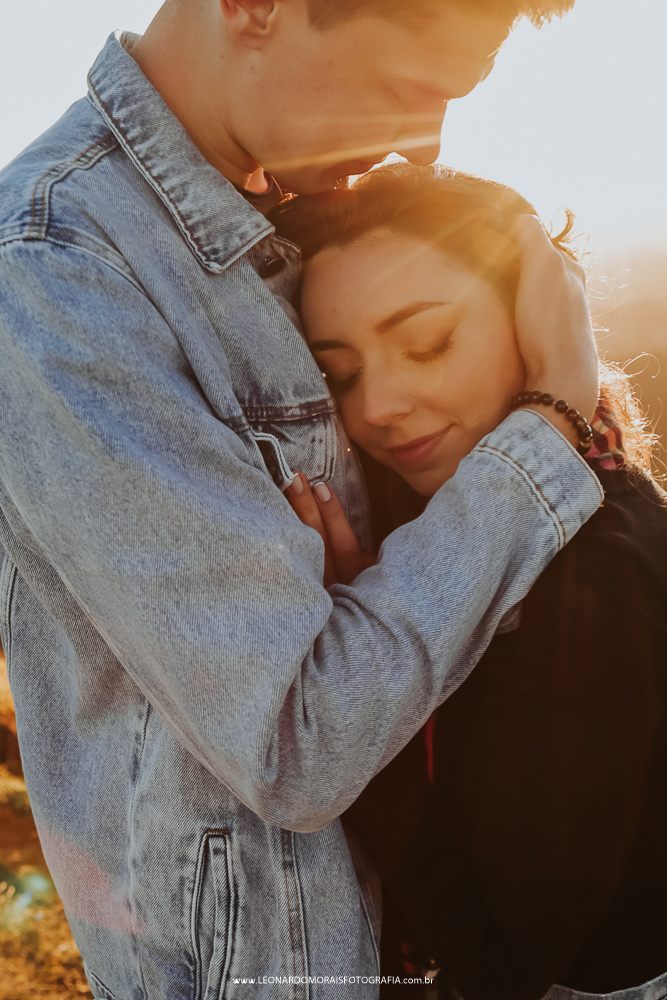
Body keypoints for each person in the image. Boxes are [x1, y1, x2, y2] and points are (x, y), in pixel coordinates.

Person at [0, 1, 602, 996]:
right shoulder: (59, 271)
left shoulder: (288, 218)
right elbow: (296, 744)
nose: (424, 142)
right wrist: (549, 422)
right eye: (407, 89)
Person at [273, 164, 667, 1000]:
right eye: (340, 375)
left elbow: (495, 965)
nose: (376, 407)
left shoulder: (592, 588)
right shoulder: (566, 505)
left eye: (426, 344)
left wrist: (366, 683)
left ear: (535, 329)